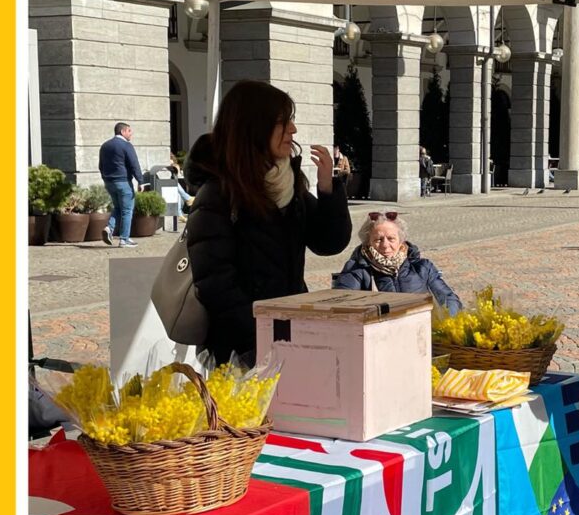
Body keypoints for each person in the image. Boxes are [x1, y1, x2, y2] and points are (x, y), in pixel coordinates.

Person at [184, 80, 352, 365]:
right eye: (282, 122)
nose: (293, 130)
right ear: (254, 127)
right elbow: (215, 284)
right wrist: (260, 338)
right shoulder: (218, 194)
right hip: (244, 347)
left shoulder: (288, 184)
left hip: (289, 332)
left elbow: (329, 242)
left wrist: (328, 190)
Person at [333, 211, 462, 315]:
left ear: (401, 241)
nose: (385, 245)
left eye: (391, 239)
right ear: (368, 242)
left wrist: (449, 323)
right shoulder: (357, 270)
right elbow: (341, 307)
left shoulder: (422, 267)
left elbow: (448, 298)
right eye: (378, 239)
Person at [98, 121, 144, 247]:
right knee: (127, 211)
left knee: (118, 208)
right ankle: (124, 240)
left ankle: (109, 229)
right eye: (129, 131)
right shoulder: (126, 145)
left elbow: (101, 166)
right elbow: (134, 164)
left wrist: (105, 178)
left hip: (109, 183)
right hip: (123, 182)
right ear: (122, 131)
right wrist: (140, 181)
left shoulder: (105, 146)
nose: (131, 134)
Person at [168, 152, 194, 220]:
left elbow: (177, 176)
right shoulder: (164, 170)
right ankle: (188, 198)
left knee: (178, 195)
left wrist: (175, 168)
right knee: (175, 185)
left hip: (171, 188)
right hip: (165, 188)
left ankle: (179, 214)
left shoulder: (174, 167)